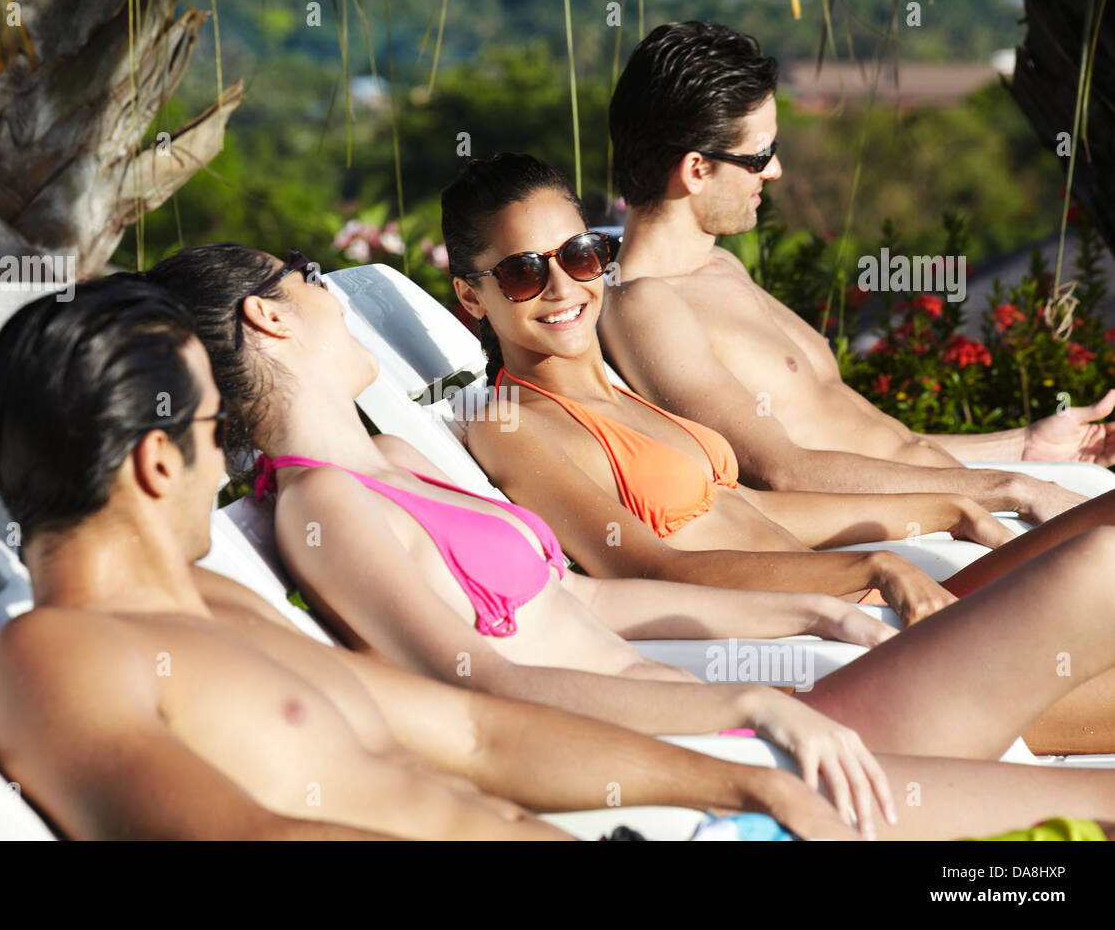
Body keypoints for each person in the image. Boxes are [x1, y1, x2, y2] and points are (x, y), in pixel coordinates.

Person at [142, 243, 1115, 836]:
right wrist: (744, 700)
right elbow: (481, 687)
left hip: (761, 702)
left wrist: (808, 605)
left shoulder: (397, 452)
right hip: (728, 745)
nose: (332, 294)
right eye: (309, 281)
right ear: (268, 316)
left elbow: (588, 601)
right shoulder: (327, 508)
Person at [0, 275, 887, 841]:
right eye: (218, 429)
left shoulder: (213, 603)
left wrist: (747, 779)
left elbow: (475, 734)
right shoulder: (56, 654)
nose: (227, 462)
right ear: (157, 458)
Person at [440, 151, 1115, 754]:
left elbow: (755, 507)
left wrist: (949, 506)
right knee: (1097, 568)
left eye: (579, 254)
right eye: (524, 272)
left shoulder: (613, 391)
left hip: (866, 598)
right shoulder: (514, 425)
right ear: (472, 294)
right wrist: (870, 566)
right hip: (826, 642)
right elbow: (649, 568)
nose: (562, 288)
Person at [598, 21, 1115, 529]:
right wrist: (1014, 488)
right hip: (895, 536)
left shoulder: (718, 267)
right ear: (696, 170)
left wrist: (1024, 447)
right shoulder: (645, 303)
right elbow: (784, 473)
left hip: (943, 502)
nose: (774, 171)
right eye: (760, 156)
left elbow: (879, 443)